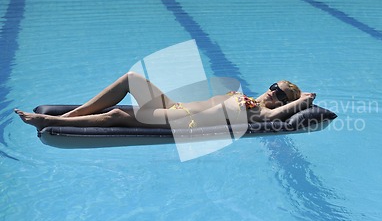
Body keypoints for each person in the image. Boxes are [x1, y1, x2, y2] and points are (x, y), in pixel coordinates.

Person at [15, 72, 316, 131]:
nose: (273, 91)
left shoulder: (261, 113)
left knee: (118, 115)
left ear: (281, 103)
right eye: (274, 86)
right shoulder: (249, 99)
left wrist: (302, 101)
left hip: (182, 122)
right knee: (131, 79)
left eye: (281, 94)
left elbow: (274, 119)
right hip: (174, 107)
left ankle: (48, 120)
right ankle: (76, 113)